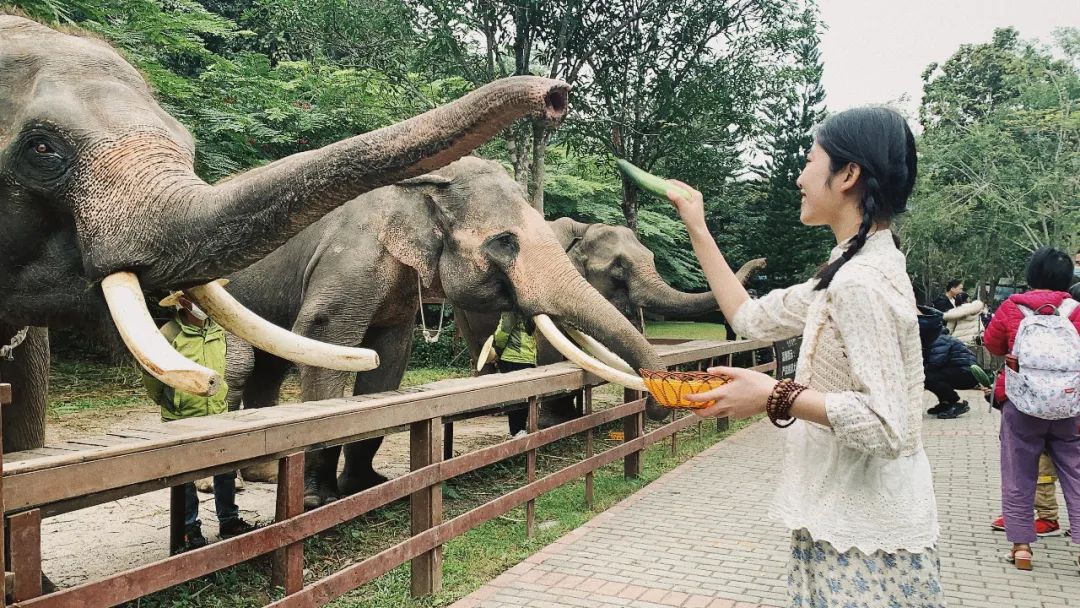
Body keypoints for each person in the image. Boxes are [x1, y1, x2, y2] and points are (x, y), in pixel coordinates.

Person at [666, 107, 942, 605]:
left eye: (810, 160)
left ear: (848, 175)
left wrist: (773, 395)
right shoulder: (847, 269)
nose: (798, 176)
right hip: (839, 519)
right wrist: (697, 227)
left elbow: (888, 425)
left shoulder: (861, 283)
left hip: (864, 542)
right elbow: (749, 317)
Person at [983, 247, 1080, 570]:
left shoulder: (1013, 307)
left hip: (1021, 405)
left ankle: (1021, 548)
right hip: (1069, 407)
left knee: (1018, 474)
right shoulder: (1075, 310)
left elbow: (993, 344)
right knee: (1076, 477)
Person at [143, 289, 258, 552]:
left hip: (217, 413)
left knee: (226, 470)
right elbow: (152, 375)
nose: (204, 304)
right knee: (185, 478)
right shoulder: (168, 334)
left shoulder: (218, 330)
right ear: (182, 302)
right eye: (197, 298)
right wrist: (170, 402)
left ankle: (229, 521)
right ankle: (189, 529)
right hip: (182, 418)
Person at [919, 306, 978, 419]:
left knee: (928, 376)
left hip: (968, 373)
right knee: (929, 376)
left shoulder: (939, 339)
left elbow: (935, 363)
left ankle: (956, 403)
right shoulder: (935, 337)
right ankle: (946, 403)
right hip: (960, 370)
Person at [492, 312, 537, 437]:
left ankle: (519, 429)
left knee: (523, 397)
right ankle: (516, 431)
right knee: (516, 398)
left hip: (522, 359)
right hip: (515, 359)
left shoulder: (521, 313)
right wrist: (498, 351)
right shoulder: (511, 312)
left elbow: (501, 335)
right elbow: (502, 335)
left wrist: (498, 351)